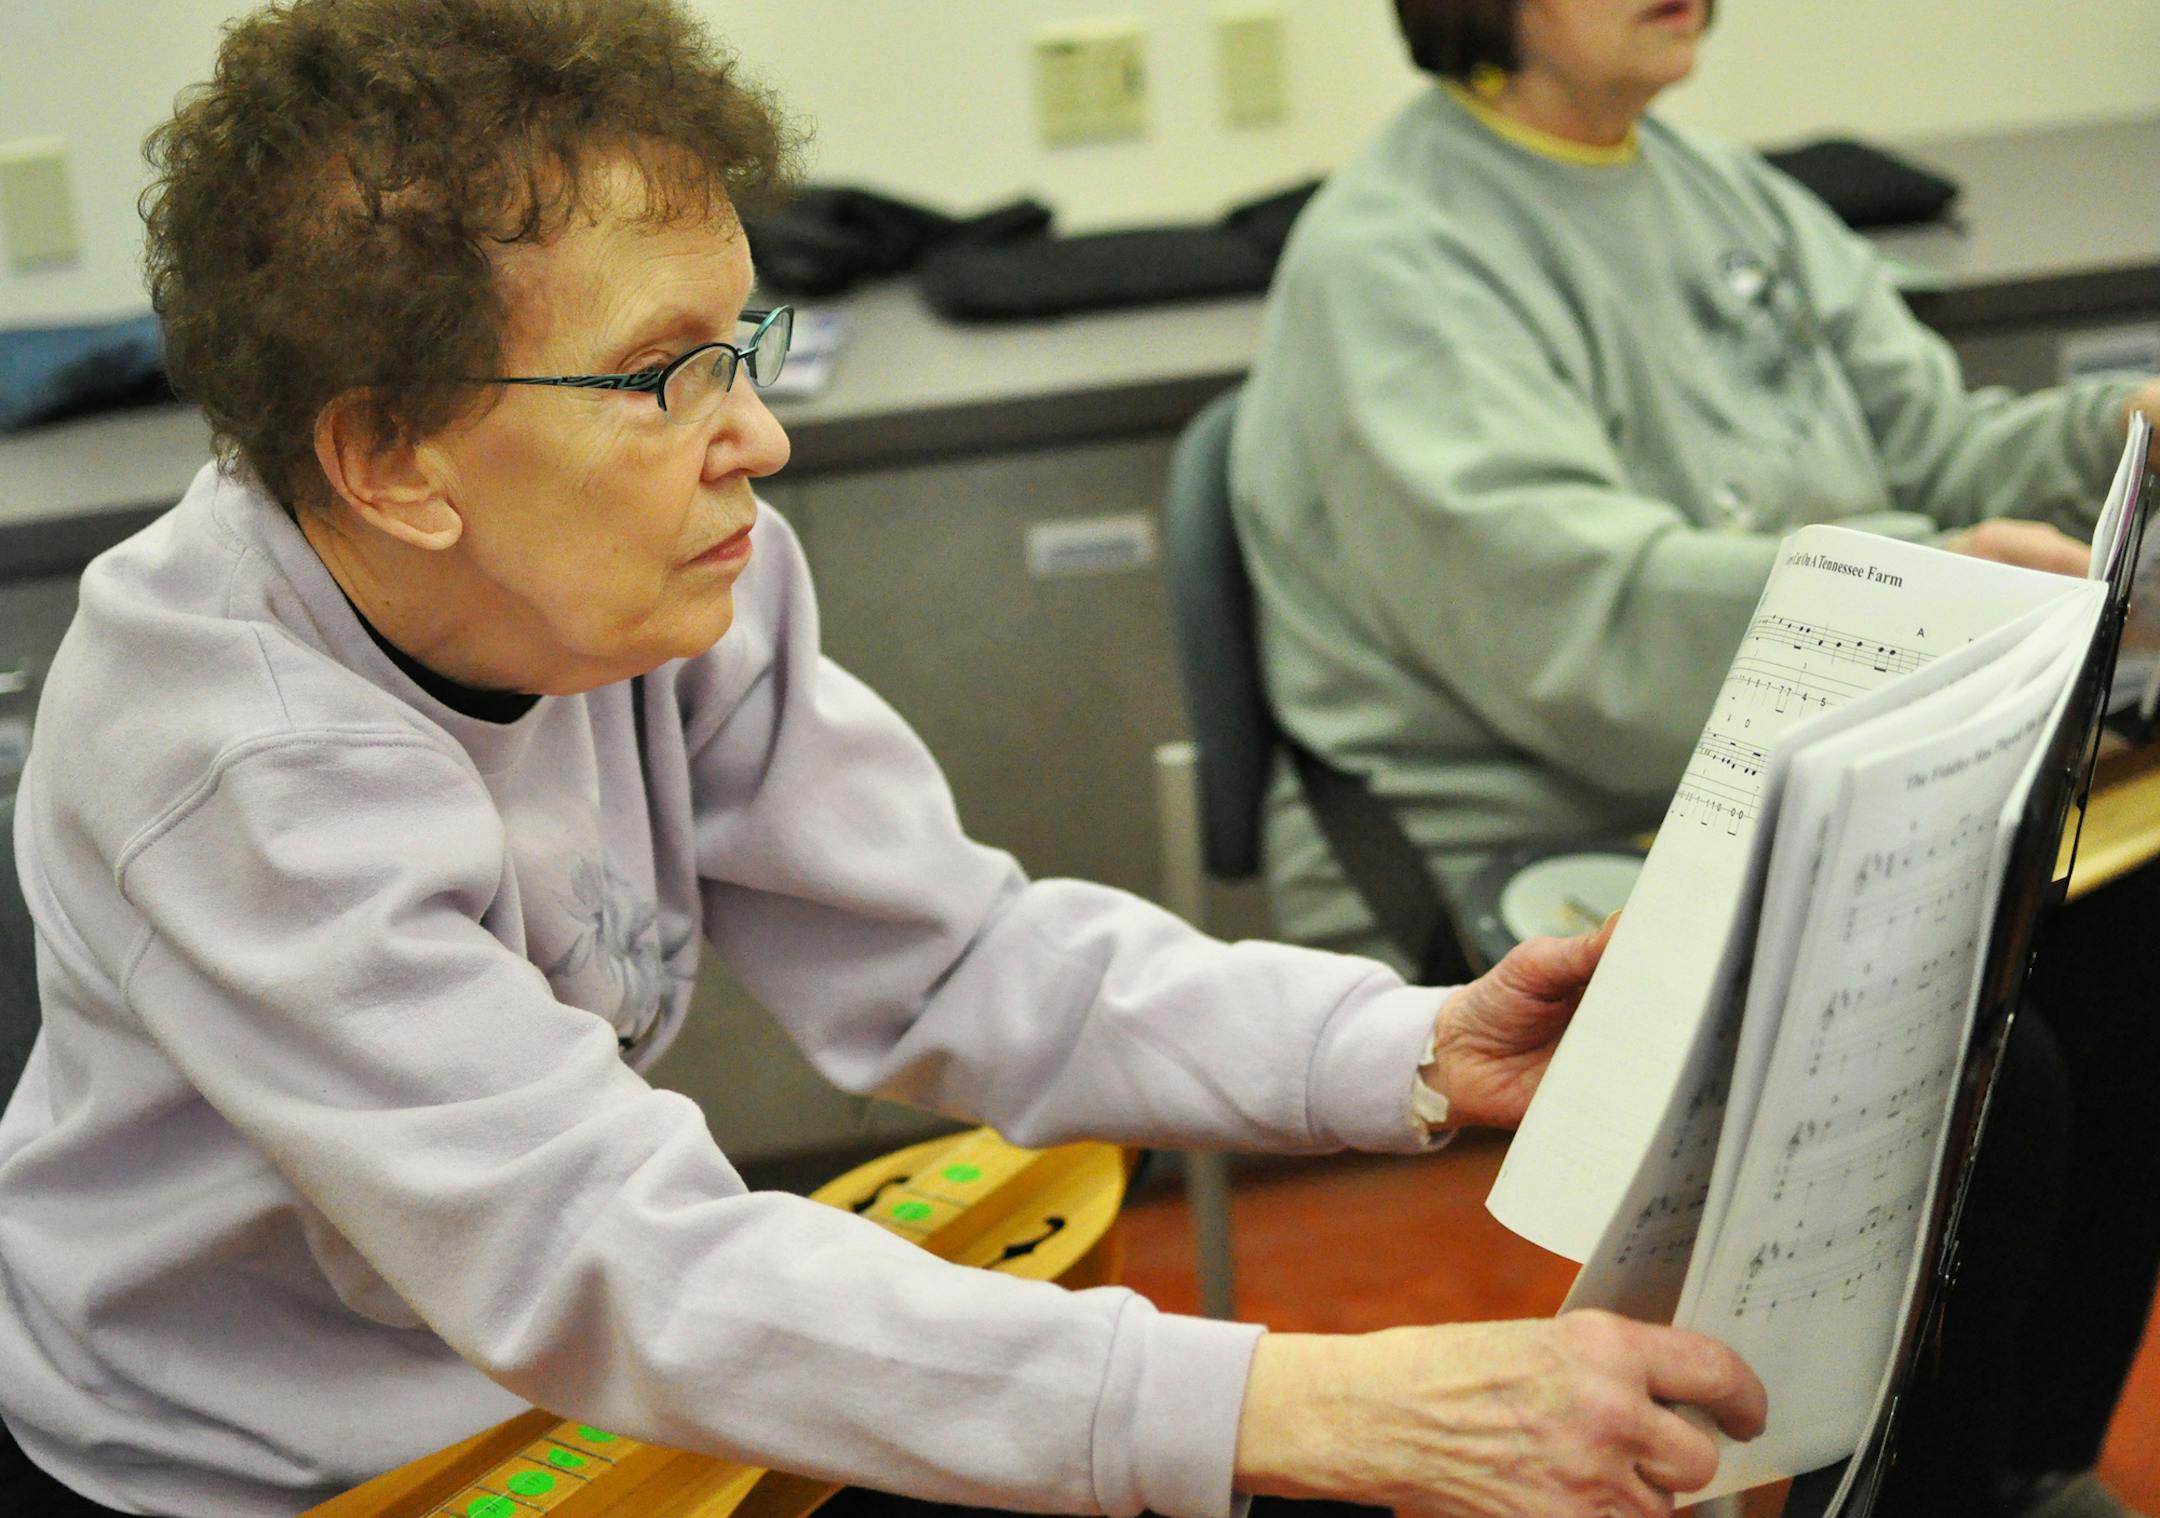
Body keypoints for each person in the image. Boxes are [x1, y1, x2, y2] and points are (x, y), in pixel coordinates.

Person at [0, 4, 1769, 1517]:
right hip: (255, 1473)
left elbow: (953, 952)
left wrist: (1408, 1044)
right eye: (668, 376)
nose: (755, 435)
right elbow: (615, 1254)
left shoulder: (671, 580)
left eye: (739, 345)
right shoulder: (230, 757)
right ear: (390, 459)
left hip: (557, 1376)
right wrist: (1315, 1405)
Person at [1230, 2, 2160, 1515]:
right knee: (1986, 1066)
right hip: (1554, 811)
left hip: (1819, 765)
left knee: (2131, 946)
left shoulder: (1731, 194)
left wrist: (2119, 429)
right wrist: (1927, 581)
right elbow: (1573, 618)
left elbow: (1932, 438)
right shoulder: (1394, 258)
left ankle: (2026, 1465)